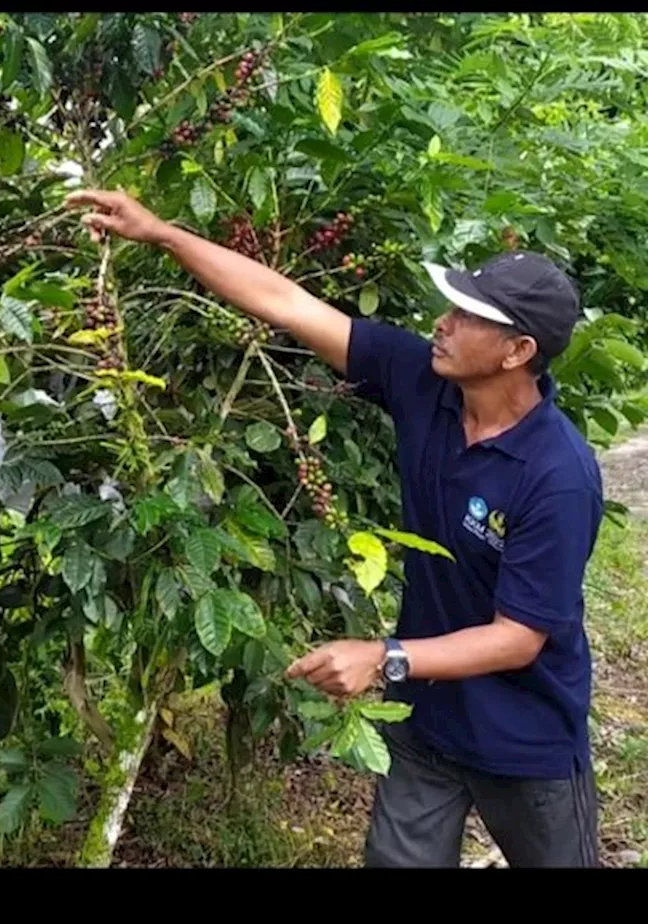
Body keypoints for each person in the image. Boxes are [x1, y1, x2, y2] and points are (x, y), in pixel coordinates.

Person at [63, 188, 603, 868]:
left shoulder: (558, 475)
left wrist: (384, 656)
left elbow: (519, 638)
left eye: (468, 316)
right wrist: (162, 232)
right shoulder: (424, 381)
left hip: (528, 743)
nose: (442, 323)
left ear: (516, 351)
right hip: (425, 725)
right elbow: (287, 304)